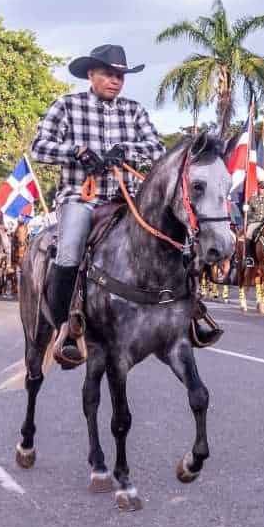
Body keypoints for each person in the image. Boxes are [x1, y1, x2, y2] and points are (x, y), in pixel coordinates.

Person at [30, 44, 165, 368]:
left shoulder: (133, 111)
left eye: (120, 76)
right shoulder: (67, 106)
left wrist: (125, 150)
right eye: (108, 74)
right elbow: (39, 147)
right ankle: (65, 330)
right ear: (91, 74)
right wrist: (77, 151)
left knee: (168, 240)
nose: (115, 81)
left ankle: (186, 318)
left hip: (126, 199)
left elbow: (157, 147)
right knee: (70, 250)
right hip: (81, 197)